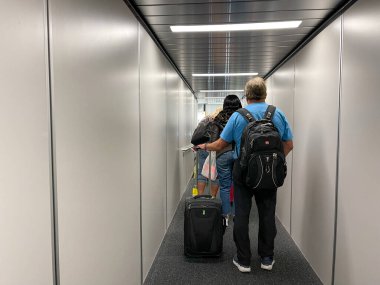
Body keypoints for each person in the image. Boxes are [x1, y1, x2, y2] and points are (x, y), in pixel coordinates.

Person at [197, 77, 293, 273]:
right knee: (267, 214)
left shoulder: (239, 116)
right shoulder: (277, 114)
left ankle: (244, 260)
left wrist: (204, 146)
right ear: (265, 94)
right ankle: (267, 258)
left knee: (241, 215)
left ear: (247, 95)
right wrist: (274, 163)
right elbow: (289, 144)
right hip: (269, 174)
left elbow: (220, 145)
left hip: (243, 172)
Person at [207, 95, 242, 223]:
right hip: (239, 154)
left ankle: (225, 215)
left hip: (222, 154)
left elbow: (214, 139)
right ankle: (237, 215)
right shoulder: (242, 117)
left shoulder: (219, 118)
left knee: (225, 186)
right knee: (238, 185)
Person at [196, 107, 222, 197]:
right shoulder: (221, 121)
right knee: (214, 174)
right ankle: (213, 198)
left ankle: (200, 197)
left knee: (201, 173)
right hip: (215, 149)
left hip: (203, 148)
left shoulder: (206, 119)